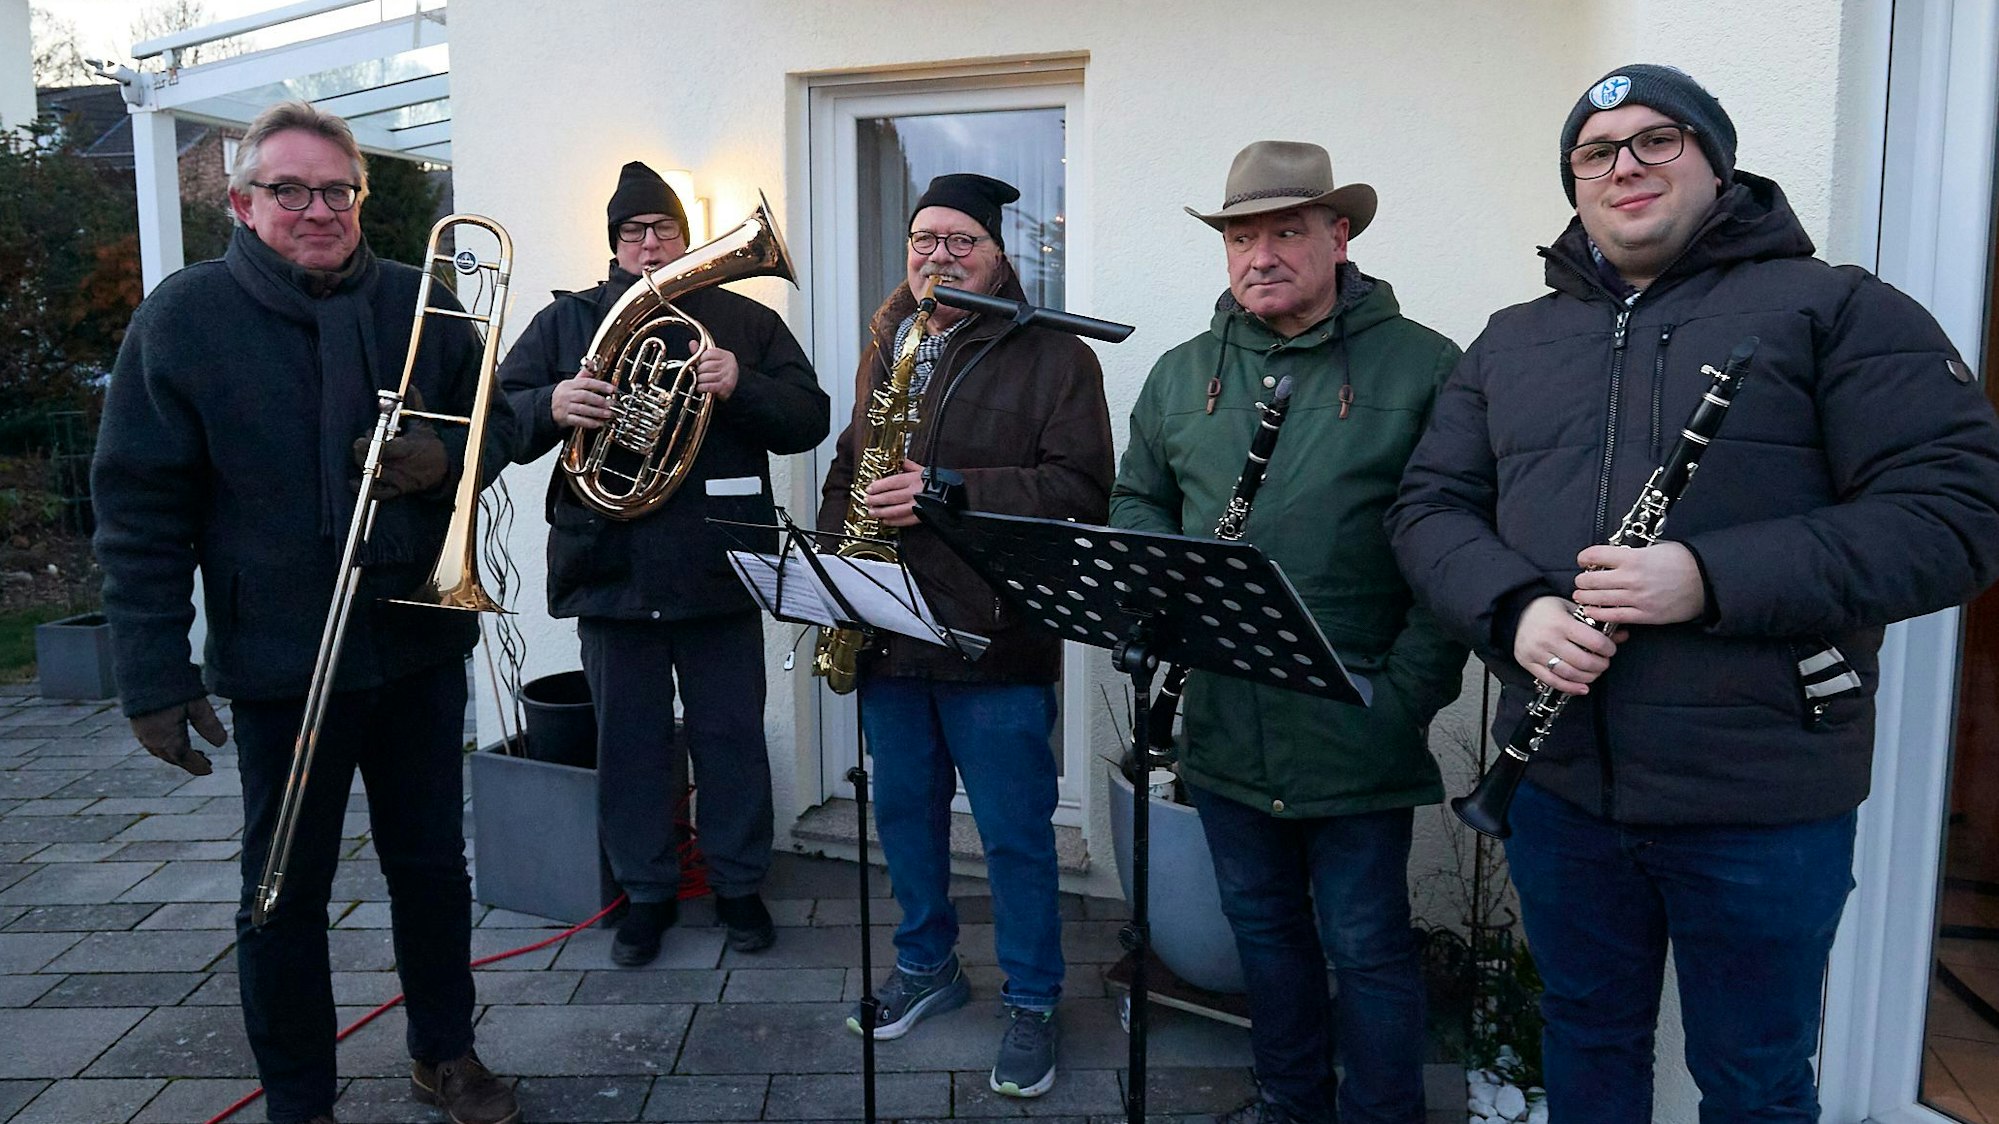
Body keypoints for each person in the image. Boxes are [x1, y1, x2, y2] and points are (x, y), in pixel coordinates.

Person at [1387, 64, 1999, 1122]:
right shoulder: (1511, 340)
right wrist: (1517, 612)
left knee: (1754, 1081)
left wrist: (1706, 577)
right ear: (1573, 184)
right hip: (1563, 785)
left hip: (1760, 796)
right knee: (1584, 1038)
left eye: (1656, 140)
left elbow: (1953, 519)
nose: (1623, 164)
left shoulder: (1839, 309)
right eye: (1595, 149)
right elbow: (1427, 509)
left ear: (1715, 161)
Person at [92, 101, 521, 1124]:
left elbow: (496, 419)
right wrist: (151, 670)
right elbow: (140, 508)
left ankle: (443, 1051)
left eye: (336, 189)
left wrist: (446, 460)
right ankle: (298, 1096)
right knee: (280, 885)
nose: (316, 208)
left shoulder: (426, 301)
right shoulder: (184, 319)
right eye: (289, 190)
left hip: (415, 640)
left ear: (361, 198)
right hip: (281, 654)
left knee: (430, 864)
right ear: (242, 204)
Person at [1110, 141, 1467, 1124]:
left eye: (1284, 230)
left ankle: (1384, 1112)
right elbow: (1135, 495)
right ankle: (1291, 1101)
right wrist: (1169, 577)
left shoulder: (1426, 364)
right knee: (1262, 936)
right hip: (1224, 720)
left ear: (1337, 234)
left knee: (1367, 945)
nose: (1257, 253)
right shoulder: (1185, 374)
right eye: (1239, 235)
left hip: (1352, 723)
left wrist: (1401, 700)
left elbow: (1457, 550)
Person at [819, 173, 1114, 1099]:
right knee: (902, 819)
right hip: (889, 632)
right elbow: (849, 463)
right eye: (922, 238)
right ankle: (927, 965)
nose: (936, 254)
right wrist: (837, 566)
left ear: (997, 255)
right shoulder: (890, 341)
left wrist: (944, 488)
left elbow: (1079, 491)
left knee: (1015, 836)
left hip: (994, 638)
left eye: (960, 241)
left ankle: (1031, 998)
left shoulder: (1056, 355)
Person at [499, 161, 827, 966]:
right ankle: (644, 894)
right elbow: (500, 418)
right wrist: (549, 405)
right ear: (613, 242)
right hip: (610, 568)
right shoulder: (571, 321)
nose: (649, 244)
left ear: (687, 236)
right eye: (633, 232)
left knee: (729, 737)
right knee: (630, 744)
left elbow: (809, 419)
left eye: (664, 230)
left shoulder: (742, 324)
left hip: (719, 567)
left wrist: (742, 385)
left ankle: (739, 884)